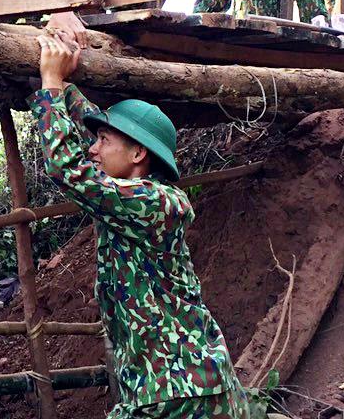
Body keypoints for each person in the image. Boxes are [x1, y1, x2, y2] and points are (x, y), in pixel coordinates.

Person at [30, 31, 246, 418]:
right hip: (171, 389)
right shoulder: (130, 201)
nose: (92, 147)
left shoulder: (152, 203)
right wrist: (64, 75)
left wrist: (50, 84)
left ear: (138, 153)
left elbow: (67, 170)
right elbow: (93, 124)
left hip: (181, 391)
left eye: (102, 140)